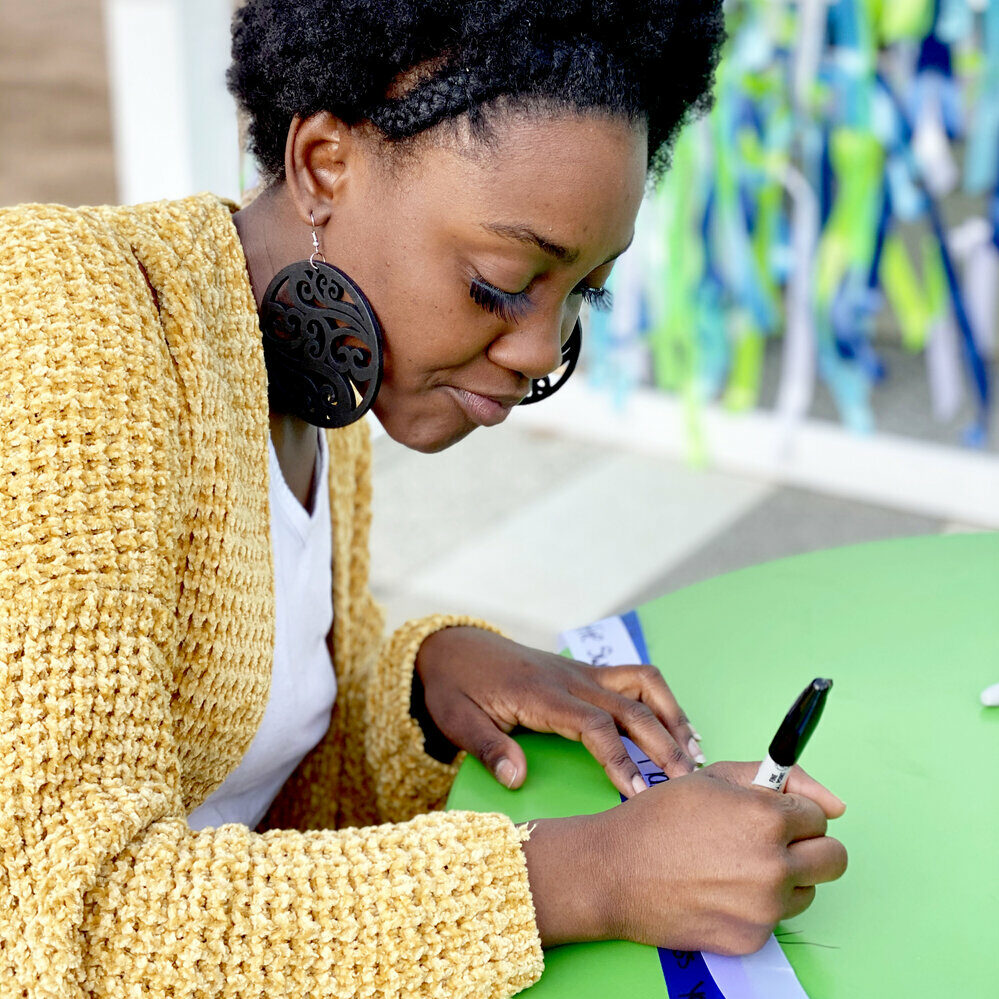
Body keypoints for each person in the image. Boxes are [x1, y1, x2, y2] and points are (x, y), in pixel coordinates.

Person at [0, 2, 847, 996]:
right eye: (500, 283)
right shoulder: (58, 321)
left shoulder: (318, 384)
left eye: (581, 293)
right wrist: (589, 874)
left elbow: (258, 782)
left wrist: (424, 687)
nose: (539, 348)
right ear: (323, 166)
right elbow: (64, 922)